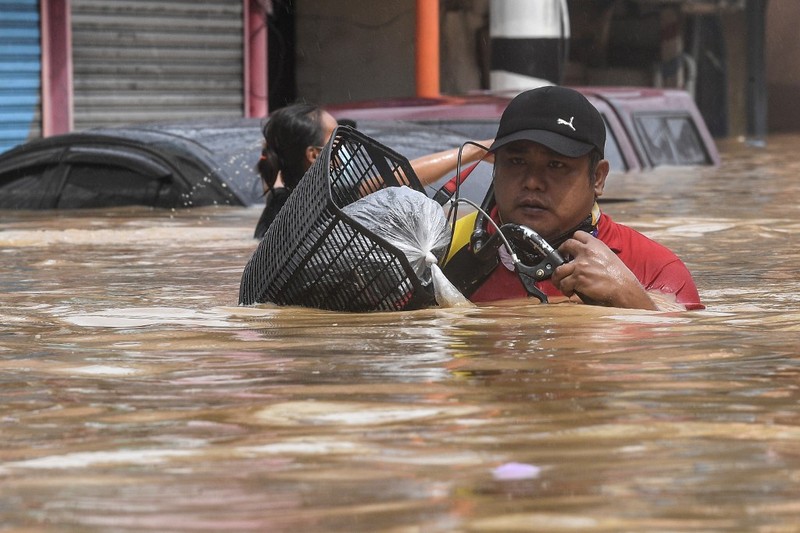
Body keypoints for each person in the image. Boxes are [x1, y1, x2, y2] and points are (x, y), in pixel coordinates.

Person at [442, 85, 703, 311]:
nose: (532, 182)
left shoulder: (654, 268)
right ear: (495, 167)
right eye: (517, 161)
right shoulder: (443, 247)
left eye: (556, 165)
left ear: (598, 178)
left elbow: (678, 348)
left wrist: (628, 297)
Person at [254, 102, 490, 239]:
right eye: (337, 135)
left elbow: (272, 174)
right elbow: (397, 177)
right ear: (314, 155)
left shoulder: (278, 200)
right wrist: (474, 151)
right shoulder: (324, 201)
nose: (345, 141)